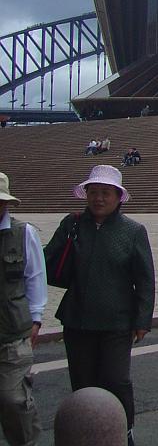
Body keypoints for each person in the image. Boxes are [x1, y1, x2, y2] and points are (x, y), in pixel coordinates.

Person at [43, 165, 155, 446]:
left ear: (118, 197)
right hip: (77, 317)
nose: (99, 199)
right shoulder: (73, 224)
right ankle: (86, 433)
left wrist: (142, 319)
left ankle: (124, 429)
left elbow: (144, 279)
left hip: (117, 320)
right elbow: (46, 260)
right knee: (82, 382)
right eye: (93, 192)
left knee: (116, 380)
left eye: (106, 193)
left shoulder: (133, 231)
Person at [0, 172, 46, 445]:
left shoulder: (23, 232)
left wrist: (36, 319)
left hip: (13, 333)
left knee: (13, 399)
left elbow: (35, 277)